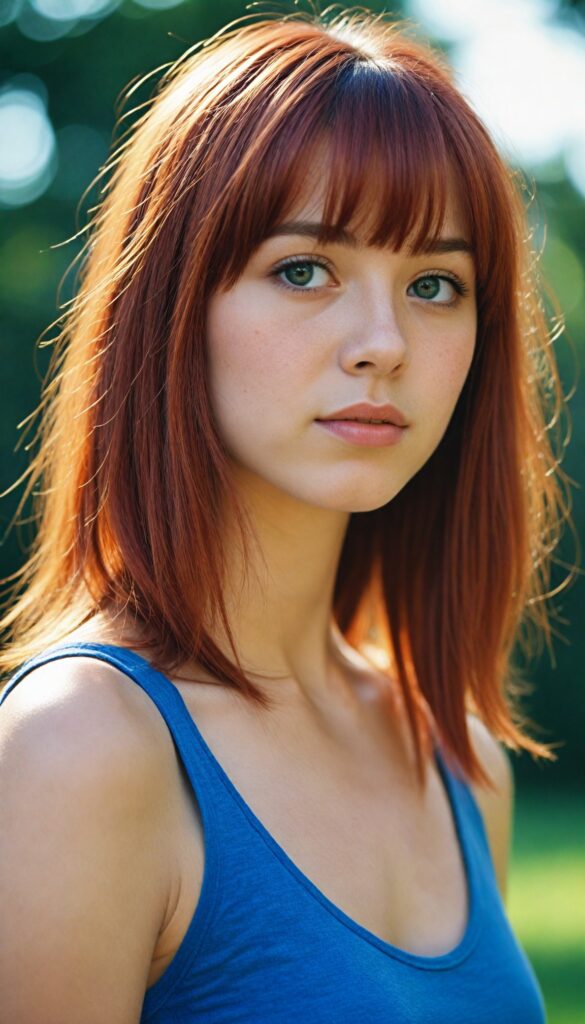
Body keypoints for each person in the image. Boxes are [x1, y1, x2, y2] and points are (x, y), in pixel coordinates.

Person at [0, 7, 571, 1023]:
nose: (383, 341)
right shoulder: (80, 750)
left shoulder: (460, 760)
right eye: (304, 270)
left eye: (434, 283)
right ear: (172, 305)